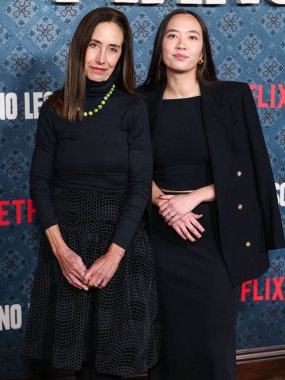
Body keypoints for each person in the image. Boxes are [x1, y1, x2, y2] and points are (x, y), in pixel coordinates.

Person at [139, 9, 285, 380]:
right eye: (173, 36)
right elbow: (130, 169)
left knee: (213, 344)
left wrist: (195, 196)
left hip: (216, 237)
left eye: (192, 37)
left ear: (203, 50)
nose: (182, 44)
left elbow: (254, 172)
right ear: (161, 47)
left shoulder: (233, 97)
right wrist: (165, 204)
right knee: (166, 345)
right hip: (160, 237)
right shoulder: (140, 103)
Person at [24, 7, 159, 380]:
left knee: (120, 366)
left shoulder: (133, 107)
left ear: (122, 56)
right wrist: (62, 251)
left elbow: (138, 186)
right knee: (69, 367)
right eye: (95, 45)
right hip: (66, 246)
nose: (102, 58)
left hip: (122, 245)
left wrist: (115, 255)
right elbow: (39, 183)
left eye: (113, 49)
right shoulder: (55, 107)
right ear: (79, 47)